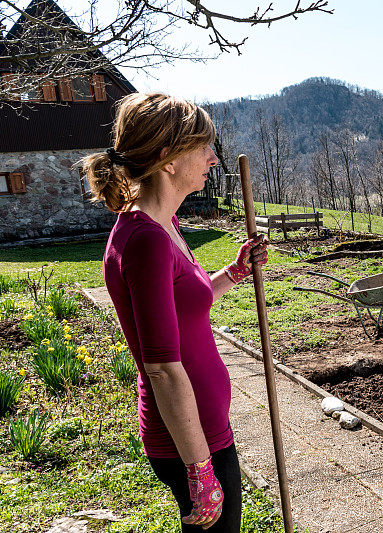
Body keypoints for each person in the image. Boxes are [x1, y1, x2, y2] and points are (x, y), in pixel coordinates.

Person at [82, 92, 268, 531]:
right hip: (190, 443)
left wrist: (235, 271)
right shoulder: (145, 240)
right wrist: (200, 468)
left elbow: (185, 304)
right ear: (168, 159)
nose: (213, 158)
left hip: (204, 429)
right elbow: (163, 368)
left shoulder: (165, 225)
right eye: (203, 147)